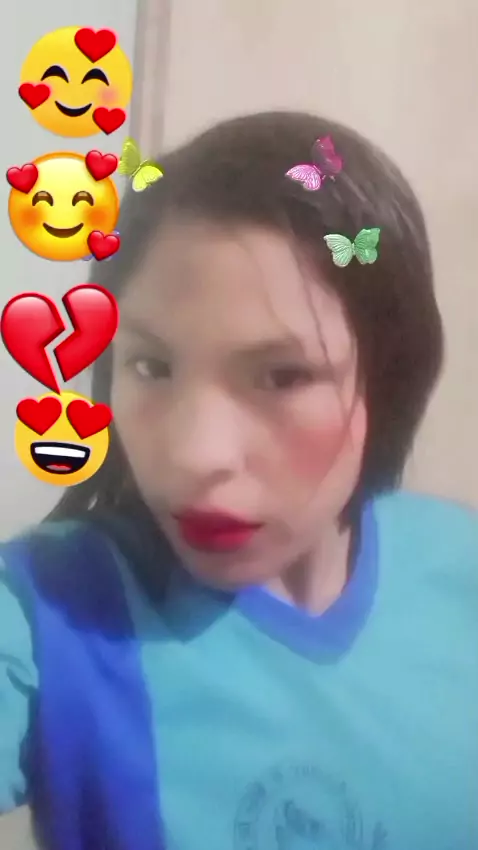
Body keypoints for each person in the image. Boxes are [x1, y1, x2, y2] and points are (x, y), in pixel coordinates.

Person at [0, 111, 477, 850]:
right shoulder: (48, 611)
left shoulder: (461, 568)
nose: (196, 456)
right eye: (151, 366)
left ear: (389, 379)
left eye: (283, 376)